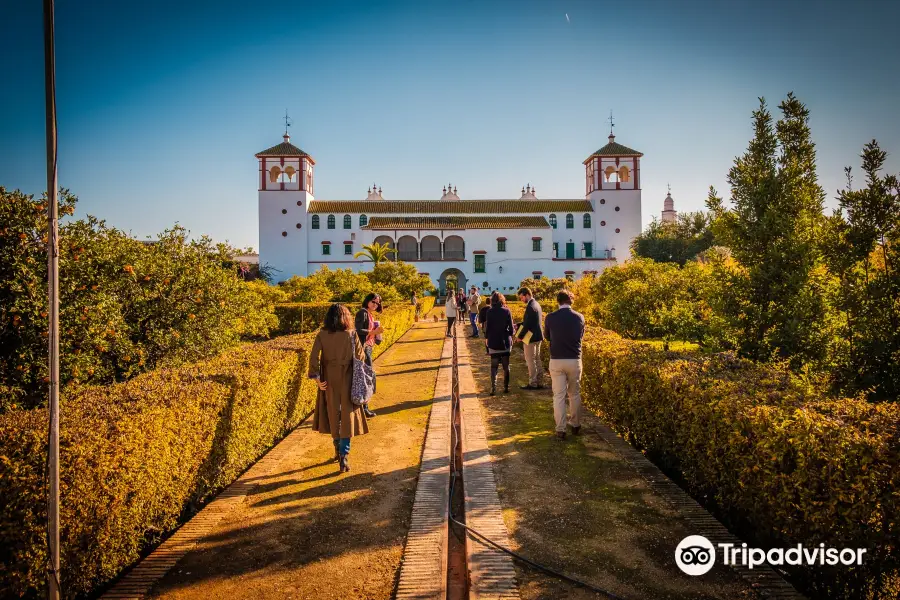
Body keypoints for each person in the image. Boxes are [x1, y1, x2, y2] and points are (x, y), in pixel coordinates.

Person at [309, 303, 369, 472]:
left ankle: (337, 448)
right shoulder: (351, 334)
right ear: (346, 317)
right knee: (347, 415)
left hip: (329, 377)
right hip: (348, 377)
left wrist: (317, 378)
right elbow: (361, 357)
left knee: (333, 413)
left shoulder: (322, 335)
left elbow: (314, 357)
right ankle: (344, 455)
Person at [543, 289, 586, 440]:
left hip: (556, 359)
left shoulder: (550, 317)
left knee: (559, 396)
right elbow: (581, 336)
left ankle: (560, 429)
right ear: (571, 301)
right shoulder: (580, 317)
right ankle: (575, 425)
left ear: (558, 301)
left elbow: (547, 337)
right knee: (574, 394)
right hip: (574, 359)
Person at [355, 293, 383, 418]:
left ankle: (364, 407)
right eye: (373, 301)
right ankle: (364, 408)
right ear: (367, 300)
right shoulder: (362, 313)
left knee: (367, 377)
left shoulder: (369, 314)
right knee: (367, 377)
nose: (375, 304)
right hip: (363, 349)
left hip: (368, 348)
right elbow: (358, 330)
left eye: (377, 303)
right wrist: (373, 332)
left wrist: (377, 335)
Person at [483, 292, 514, 395]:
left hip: (493, 340)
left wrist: (486, 338)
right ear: (502, 300)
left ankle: (493, 387)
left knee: (494, 366)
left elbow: (488, 327)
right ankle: (506, 387)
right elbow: (511, 329)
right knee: (506, 366)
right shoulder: (507, 311)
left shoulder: (490, 312)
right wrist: (509, 335)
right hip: (505, 341)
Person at [516, 287, 544, 390]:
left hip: (531, 337)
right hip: (538, 336)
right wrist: (519, 324)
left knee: (530, 360)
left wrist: (520, 337)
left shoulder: (530, 306)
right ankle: (540, 382)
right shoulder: (536, 304)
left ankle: (533, 383)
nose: (521, 300)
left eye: (521, 297)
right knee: (537, 359)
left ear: (527, 294)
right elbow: (531, 321)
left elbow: (527, 324)